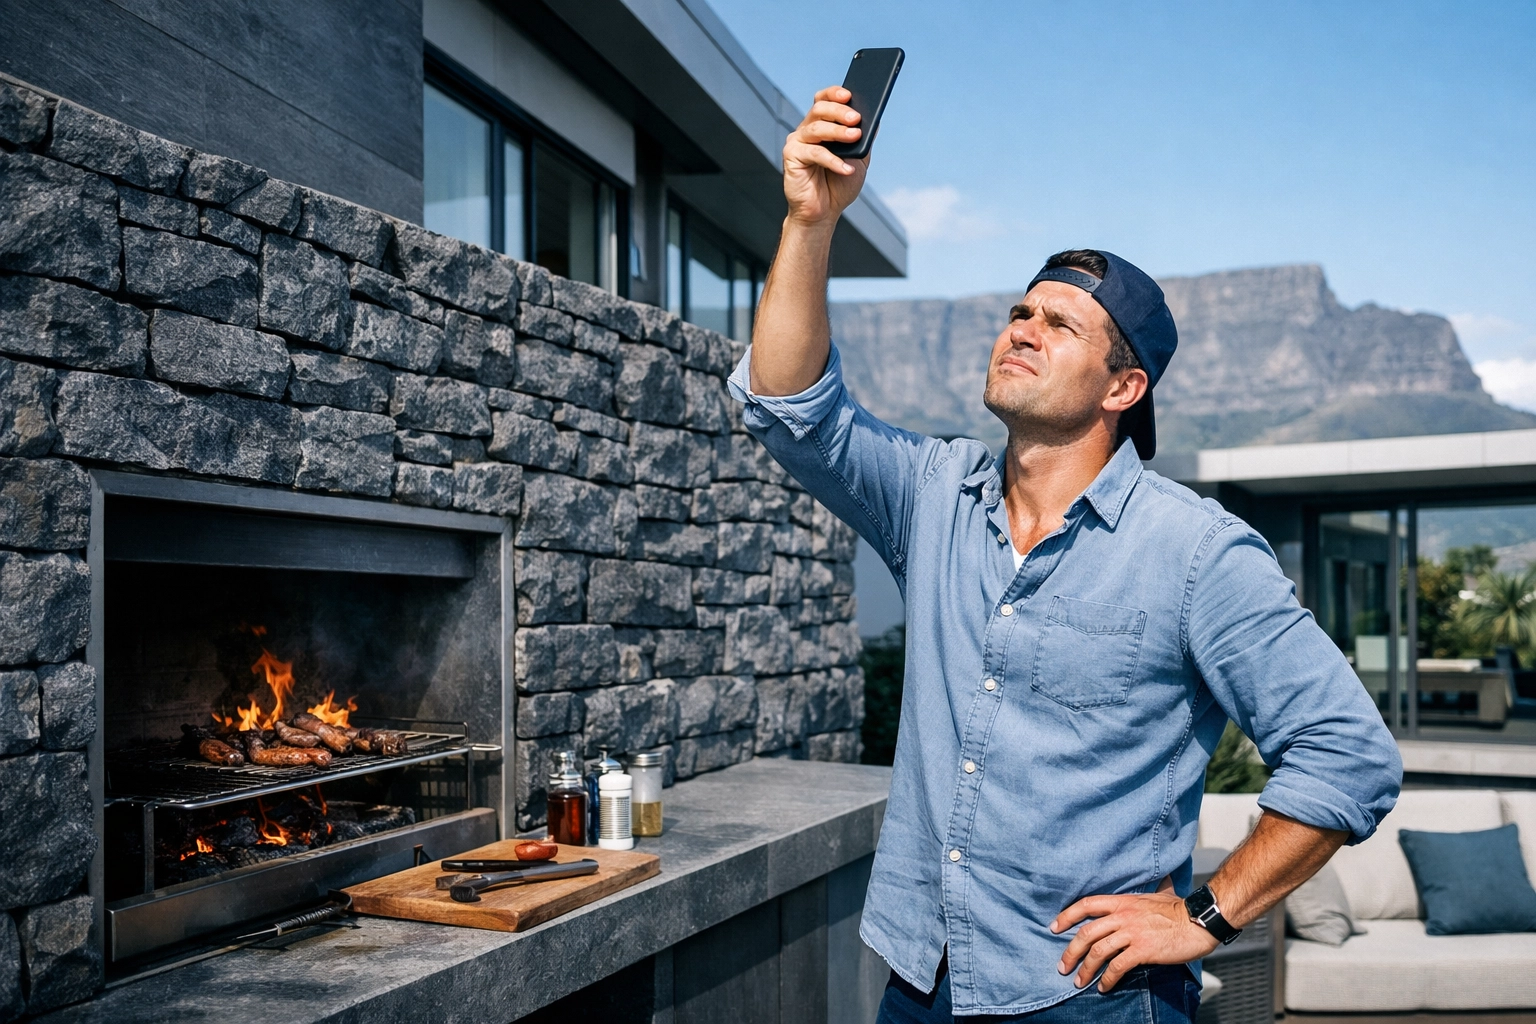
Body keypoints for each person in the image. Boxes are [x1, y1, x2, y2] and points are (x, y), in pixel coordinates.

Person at [727, 86, 1403, 1022]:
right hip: (922, 982)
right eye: (1021, 311)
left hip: (1089, 998)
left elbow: (1348, 755)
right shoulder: (933, 497)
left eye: (1060, 325)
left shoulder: (1197, 553)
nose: (1021, 329)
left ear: (1123, 385)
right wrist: (809, 220)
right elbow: (792, 409)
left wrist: (1205, 913)